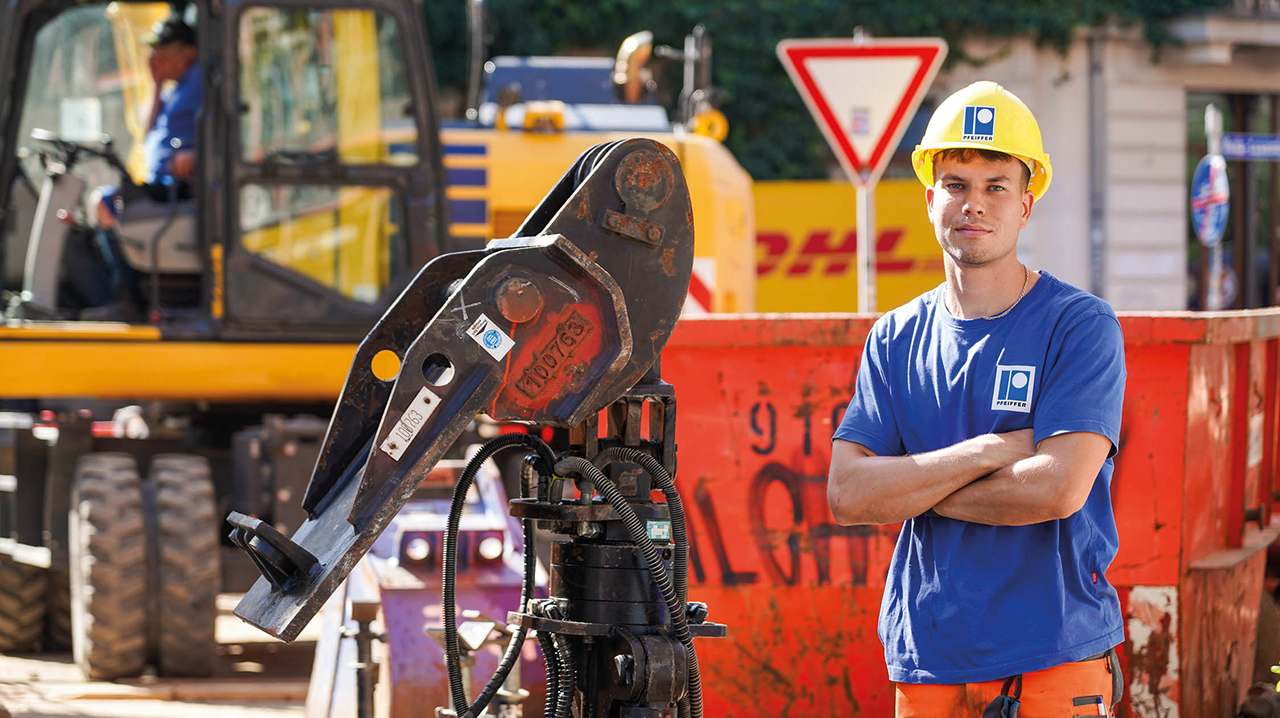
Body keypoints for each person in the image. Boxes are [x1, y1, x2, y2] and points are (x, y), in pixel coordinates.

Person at [827, 81, 1126, 718]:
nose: (975, 204)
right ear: (930, 198)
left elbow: (1057, 490)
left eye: (997, 187)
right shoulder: (895, 336)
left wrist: (913, 489)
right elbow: (849, 495)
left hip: (1052, 655)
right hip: (927, 656)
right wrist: (989, 450)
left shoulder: (1079, 325)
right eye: (957, 184)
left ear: (1027, 203)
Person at [95, 15, 201, 230]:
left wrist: (199, 154)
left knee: (104, 202)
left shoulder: (202, 82)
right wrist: (157, 85)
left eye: (164, 52)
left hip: (180, 187)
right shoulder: (173, 88)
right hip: (162, 183)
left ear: (189, 52)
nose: (156, 60)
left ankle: (126, 264)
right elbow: (147, 133)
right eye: (154, 53)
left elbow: (226, 129)